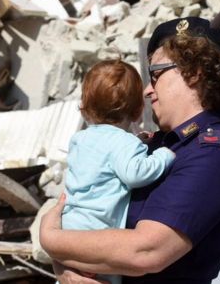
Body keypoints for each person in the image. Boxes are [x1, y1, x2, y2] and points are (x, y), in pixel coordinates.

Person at [40, 16, 220, 284]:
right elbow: (86, 215)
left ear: (194, 72)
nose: (148, 90)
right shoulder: (159, 144)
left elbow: (145, 251)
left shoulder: (211, 157)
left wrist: (51, 238)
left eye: (155, 75)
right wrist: (66, 270)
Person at [59, 59, 176, 284]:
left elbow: (103, 161)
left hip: (72, 226)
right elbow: (136, 174)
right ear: (138, 111)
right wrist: (163, 156)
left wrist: (134, 143)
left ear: (85, 107)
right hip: (99, 230)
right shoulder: (124, 143)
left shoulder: (79, 139)